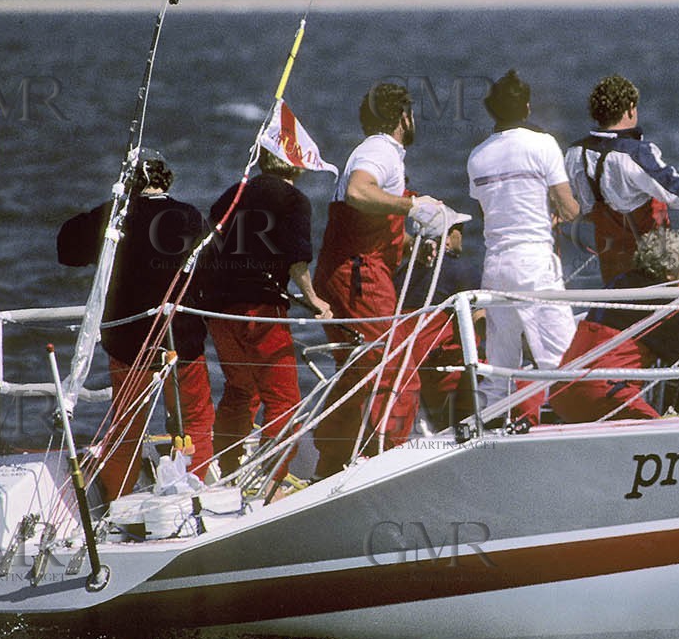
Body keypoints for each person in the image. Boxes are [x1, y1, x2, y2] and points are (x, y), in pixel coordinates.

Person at [57, 148, 215, 499]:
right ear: (166, 180)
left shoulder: (114, 218)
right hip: (182, 341)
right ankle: (195, 494)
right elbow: (210, 274)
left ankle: (117, 503)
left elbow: (67, 250)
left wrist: (108, 209)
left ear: (130, 183)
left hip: (129, 344)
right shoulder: (189, 216)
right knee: (195, 422)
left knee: (127, 429)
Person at [312, 82, 440, 478]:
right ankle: (388, 463)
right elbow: (358, 191)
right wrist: (411, 206)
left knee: (357, 368)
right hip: (359, 273)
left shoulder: (376, 151)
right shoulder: (379, 150)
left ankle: (331, 462)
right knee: (395, 364)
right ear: (404, 117)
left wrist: (413, 234)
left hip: (348, 271)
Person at [202, 147, 332, 477]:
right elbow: (297, 261)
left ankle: (228, 467)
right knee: (284, 399)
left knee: (240, 389)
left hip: (218, 308)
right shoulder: (293, 199)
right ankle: (271, 480)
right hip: (259, 307)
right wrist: (314, 298)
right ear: (296, 161)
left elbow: (207, 241)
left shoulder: (234, 192)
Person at [466, 69, 579, 425]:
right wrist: (565, 212)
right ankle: (577, 424)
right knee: (561, 358)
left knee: (500, 362)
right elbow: (568, 207)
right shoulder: (543, 144)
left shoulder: (477, 157)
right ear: (527, 108)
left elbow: (491, 208)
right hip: (533, 264)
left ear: (492, 110)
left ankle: (488, 429)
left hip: (496, 266)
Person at [552, 228, 679, 423]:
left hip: (562, 393)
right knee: (663, 438)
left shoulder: (619, 284)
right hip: (603, 393)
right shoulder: (662, 305)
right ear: (671, 274)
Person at [565, 74, 679, 287]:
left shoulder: (575, 153)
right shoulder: (637, 153)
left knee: (623, 311)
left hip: (611, 262)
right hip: (654, 259)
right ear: (630, 109)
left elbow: (581, 207)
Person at [400, 198, 481, 432]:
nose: (462, 236)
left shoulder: (401, 276)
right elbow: (480, 324)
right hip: (451, 384)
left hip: (416, 379)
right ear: (447, 236)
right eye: (459, 230)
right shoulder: (461, 271)